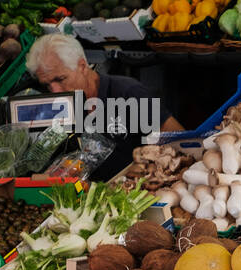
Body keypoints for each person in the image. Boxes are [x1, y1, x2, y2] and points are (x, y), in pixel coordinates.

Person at [25, 35, 184, 174]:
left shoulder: (128, 93)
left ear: (82, 66)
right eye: (47, 84)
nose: (55, 91)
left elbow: (179, 141)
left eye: (60, 79)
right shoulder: (61, 107)